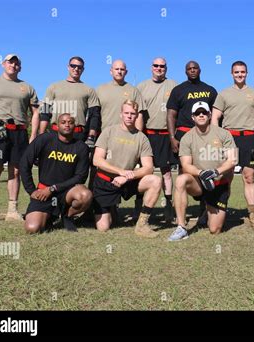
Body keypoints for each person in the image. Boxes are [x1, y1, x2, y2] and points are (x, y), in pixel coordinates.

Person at [212, 61, 254, 230]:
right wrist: (217, 139)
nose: (239, 74)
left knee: (249, 176)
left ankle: (253, 216)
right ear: (231, 73)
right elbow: (215, 117)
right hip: (229, 138)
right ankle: (219, 210)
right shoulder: (223, 94)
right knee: (225, 177)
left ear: (247, 73)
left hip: (249, 138)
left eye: (242, 72)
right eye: (236, 72)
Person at [0, 54, 40, 223]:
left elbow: (35, 113)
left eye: (16, 63)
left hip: (19, 132)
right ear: (3, 64)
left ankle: (12, 210)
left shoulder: (27, 87)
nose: (13, 65)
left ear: (20, 67)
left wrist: (33, 135)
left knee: (15, 171)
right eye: (10, 62)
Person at [92, 100, 162, 237]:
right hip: (105, 182)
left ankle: (142, 224)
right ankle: (110, 209)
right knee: (103, 227)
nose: (129, 116)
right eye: (126, 113)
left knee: (155, 180)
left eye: (133, 113)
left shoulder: (141, 138)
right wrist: (120, 172)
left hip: (127, 180)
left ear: (137, 116)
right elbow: (97, 160)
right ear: (121, 114)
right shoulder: (108, 131)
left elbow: (148, 168)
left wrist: (125, 177)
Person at [168, 101, 237, 241]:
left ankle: (209, 208)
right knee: (181, 179)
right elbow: (186, 165)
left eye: (204, 112)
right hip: (199, 182)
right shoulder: (187, 137)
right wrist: (201, 173)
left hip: (218, 183)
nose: (201, 115)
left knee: (214, 230)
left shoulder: (224, 134)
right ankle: (181, 227)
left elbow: (233, 159)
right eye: (197, 113)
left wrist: (216, 172)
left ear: (210, 115)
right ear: (192, 117)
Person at [20, 113, 92, 233]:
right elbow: (24, 163)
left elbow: (80, 177)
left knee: (85, 195)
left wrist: (53, 188)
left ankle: (67, 215)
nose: (67, 125)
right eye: (63, 122)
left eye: (70, 122)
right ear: (57, 126)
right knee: (32, 229)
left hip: (66, 192)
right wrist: (31, 190)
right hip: (43, 192)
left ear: (75, 126)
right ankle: (49, 217)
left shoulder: (81, 147)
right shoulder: (44, 139)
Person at [137, 57, 177, 222]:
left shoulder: (174, 85)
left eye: (162, 66)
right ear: (151, 67)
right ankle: (140, 206)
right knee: (143, 171)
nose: (159, 68)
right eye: (156, 65)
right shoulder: (141, 87)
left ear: (166, 68)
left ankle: (168, 205)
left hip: (166, 135)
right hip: (147, 134)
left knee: (166, 172)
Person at [39, 56, 101, 145]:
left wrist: (91, 136)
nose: (76, 69)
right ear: (68, 67)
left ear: (83, 69)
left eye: (79, 67)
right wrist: (41, 135)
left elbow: (94, 114)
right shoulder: (53, 86)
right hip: (55, 133)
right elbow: (45, 112)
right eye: (73, 66)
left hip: (78, 135)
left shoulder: (89, 89)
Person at [97, 59, 144, 131]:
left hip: (128, 135)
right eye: (116, 69)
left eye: (122, 69)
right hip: (105, 135)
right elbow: (95, 115)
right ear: (111, 71)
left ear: (126, 72)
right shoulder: (100, 90)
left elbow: (139, 115)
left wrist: (137, 137)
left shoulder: (133, 91)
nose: (119, 71)